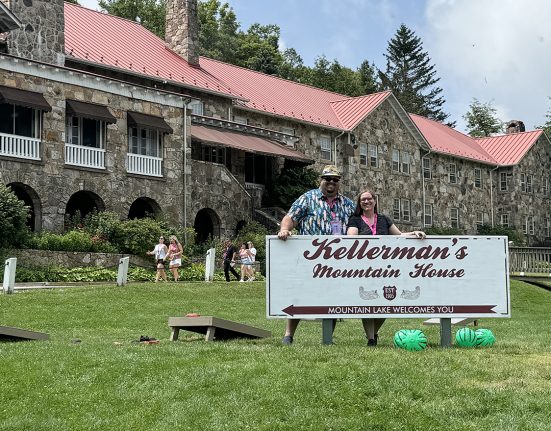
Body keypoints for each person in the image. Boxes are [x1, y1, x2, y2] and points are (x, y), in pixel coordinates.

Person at [277, 164, 355, 345]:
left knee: (333, 298)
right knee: (298, 295)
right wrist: (284, 230)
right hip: (309, 259)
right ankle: (288, 335)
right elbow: (291, 217)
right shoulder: (308, 198)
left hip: (336, 260)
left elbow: (359, 224)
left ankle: (328, 337)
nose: (331, 183)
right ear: (321, 180)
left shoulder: (348, 204)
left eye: (335, 180)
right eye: (328, 179)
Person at [346, 189, 426, 346]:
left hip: (385, 268)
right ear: (359, 203)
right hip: (365, 268)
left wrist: (414, 233)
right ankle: (370, 339)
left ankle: (374, 333)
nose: (366, 201)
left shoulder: (383, 219)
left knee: (386, 301)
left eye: (369, 199)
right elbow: (351, 237)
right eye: (363, 200)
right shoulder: (355, 219)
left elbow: (399, 235)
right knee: (368, 301)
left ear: (375, 201)